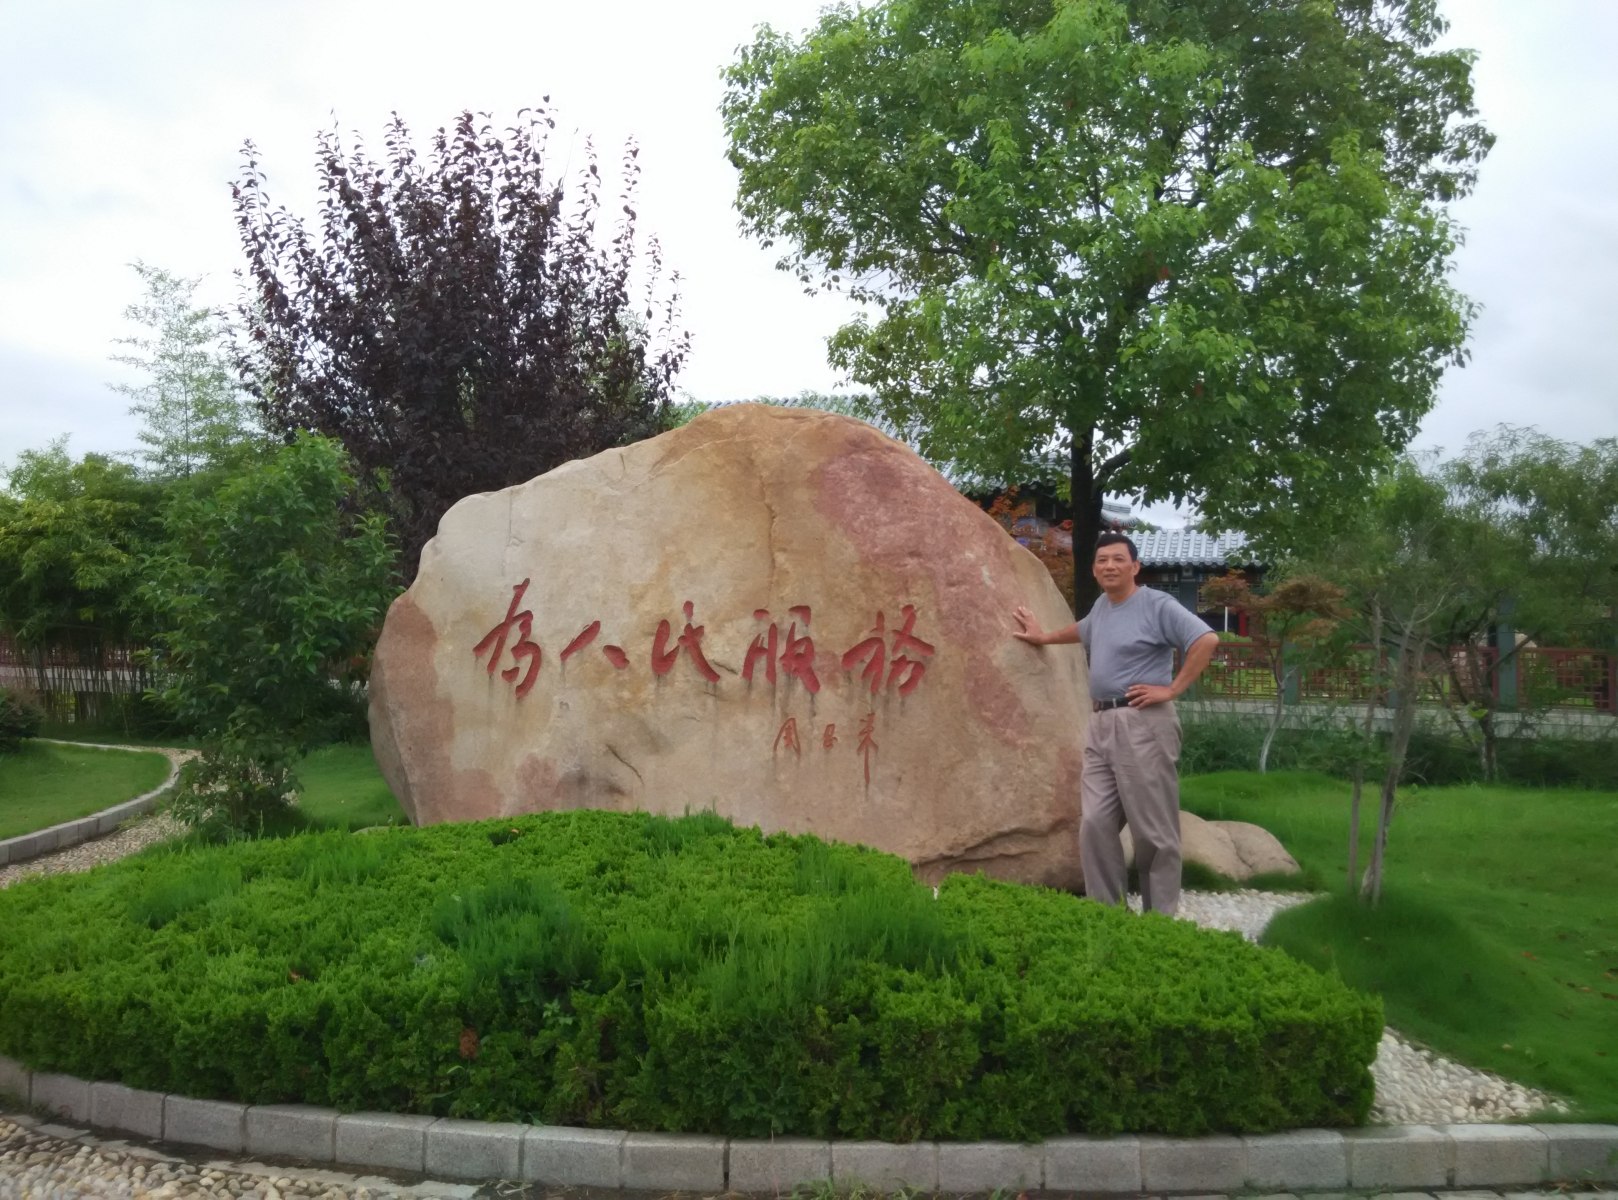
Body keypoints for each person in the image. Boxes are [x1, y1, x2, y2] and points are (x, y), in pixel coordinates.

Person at [1013, 533, 1219, 915]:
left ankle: (1158, 921)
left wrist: (1172, 689)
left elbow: (1205, 639)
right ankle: (1108, 913)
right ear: (1094, 569)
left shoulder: (1156, 604)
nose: (1109, 566)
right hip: (1101, 724)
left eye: (1118, 559)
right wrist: (1042, 637)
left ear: (1135, 566)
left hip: (1142, 723)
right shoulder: (1103, 608)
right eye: (1102, 560)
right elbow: (1083, 629)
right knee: (1095, 823)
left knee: (1152, 831)